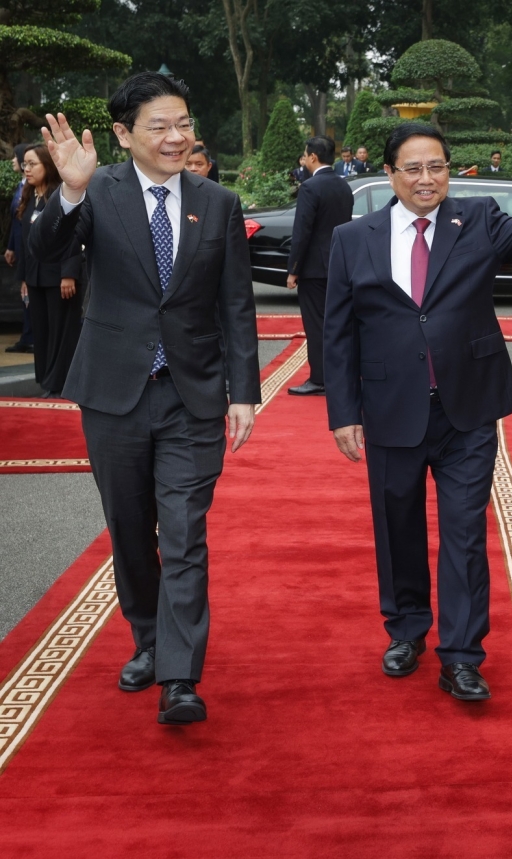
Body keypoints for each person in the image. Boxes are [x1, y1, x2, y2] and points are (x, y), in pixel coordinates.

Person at [323, 114, 512, 701]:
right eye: (414, 168)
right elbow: (337, 333)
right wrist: (342, 412)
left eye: (437, 167)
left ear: (451, 170)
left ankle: (462, 655)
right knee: (397, 529)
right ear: (390, 173)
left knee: (466, 534)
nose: (427, 178)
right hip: (390, 407)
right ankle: (406, 630)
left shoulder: (476, 220)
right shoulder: (353, 239)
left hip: (466, 408)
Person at [32, 72, 261, 726]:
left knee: (185, 533)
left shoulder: (217, 202)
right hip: (113, 394)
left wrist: (242, 391)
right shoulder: (96, 192)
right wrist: (70, 188)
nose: (175, 136)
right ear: (123, 133)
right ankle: (147, 638)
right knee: (131, 532)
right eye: (158, 126)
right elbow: (43, 252)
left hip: (191, 395)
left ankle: (180, 676)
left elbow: (236, 306)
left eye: (182, 123)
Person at [285, 135, 354, 395]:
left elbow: (302, 231)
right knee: (336, 324)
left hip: (314, 268)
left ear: (313, 157)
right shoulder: (343, 186)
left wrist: (294, 269)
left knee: (316, 325)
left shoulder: (311, 187)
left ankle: (319, 378)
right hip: (339, 264)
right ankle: (339, 375)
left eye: (305, 155)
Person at [16, 143, 83, 396]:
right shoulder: (28, 195)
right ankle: (46, 381)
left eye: (33, 164)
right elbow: (25, 243)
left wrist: (69, 273)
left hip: (59, 277)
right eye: (25, 164)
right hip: (35, 277)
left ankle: (59, 384)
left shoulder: (62, 196)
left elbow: (73, 236)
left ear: (48, 165)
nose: (27, 169)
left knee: (60, 332)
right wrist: (23, 278)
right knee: (41, 331)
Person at [5, 144, 33, 354]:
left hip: (30, 249)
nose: (13, 161)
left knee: (28, 292)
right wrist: (11, 247)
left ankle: (30, 336)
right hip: (19, 246)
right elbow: (15, 222)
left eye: (16, 158)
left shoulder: (31, 188)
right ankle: (27, 335)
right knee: (25, 293)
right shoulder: (20, 185)